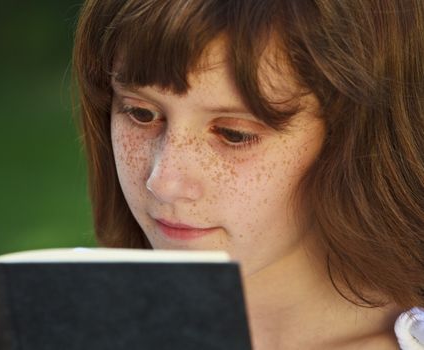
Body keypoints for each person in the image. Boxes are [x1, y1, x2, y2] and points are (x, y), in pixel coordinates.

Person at [73, 0, 424, 349]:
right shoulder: (64, 323)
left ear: (352, 138)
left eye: (234, 134)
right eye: (142, 114)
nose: (164, 183)